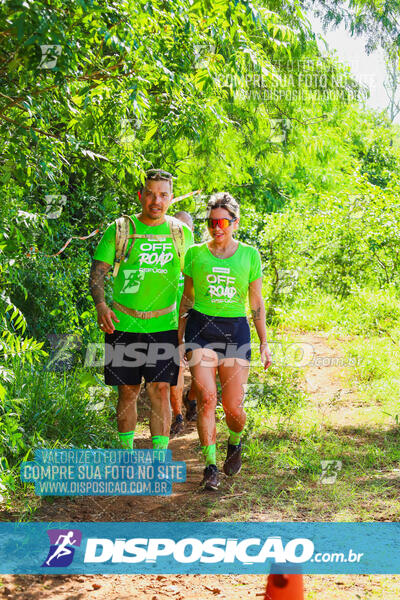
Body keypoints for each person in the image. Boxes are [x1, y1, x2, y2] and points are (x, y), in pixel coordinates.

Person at [89, 169, 194, 451]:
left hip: (165, 327)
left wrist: (188, 326)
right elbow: (97, 272)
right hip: (122, 326)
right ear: (140, 196)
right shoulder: (121, 229)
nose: (155, 200)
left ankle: (158, 461)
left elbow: (193, 283)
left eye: (162, 195)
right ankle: (126, 457)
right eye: (150, 193)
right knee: (127, 392)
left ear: (170, 199)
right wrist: (101, 305)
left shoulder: (180, 233)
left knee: (160, 391)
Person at [178, 192, 272, 490]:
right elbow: (188, 298)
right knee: (207, 399)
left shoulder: (249, 255)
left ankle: (234, 441)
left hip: (235, 331)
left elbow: (256, 302)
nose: (215, 227)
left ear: (235, 222)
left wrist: (264, 342)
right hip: (200, 330)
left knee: (233, 408)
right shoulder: (194, 253)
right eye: (210, 222)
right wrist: (178, 340)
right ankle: (210, 467)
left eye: (222, 222)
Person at [170, 211, 197, 436]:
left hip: (195, 319)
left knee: (201, 370)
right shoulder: (164, 255)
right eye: (175, 228)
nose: (179, 232)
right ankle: (177, 415)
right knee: (175, 366)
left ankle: (191, 398)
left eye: (184, 229)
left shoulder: (199, 255)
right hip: (170, 319)